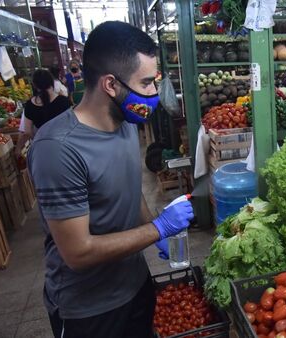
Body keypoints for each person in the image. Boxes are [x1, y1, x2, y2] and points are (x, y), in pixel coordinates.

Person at [28, 21, 193, 338]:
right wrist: (157, 229)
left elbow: (130, 189)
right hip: (90, 309)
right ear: (110, 85)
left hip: (135, 284)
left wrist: (154, 227)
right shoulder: (58, 149)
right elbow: (78, 253)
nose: (154, 94)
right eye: (145, 84)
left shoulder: (126, 123)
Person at [15, 69, 71, 156]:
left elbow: (27, 133)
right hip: (65, 148)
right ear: (52, 82)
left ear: (35, 85)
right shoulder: (64, 101)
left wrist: (18, 148)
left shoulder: (29, 105)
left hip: (43, 150)